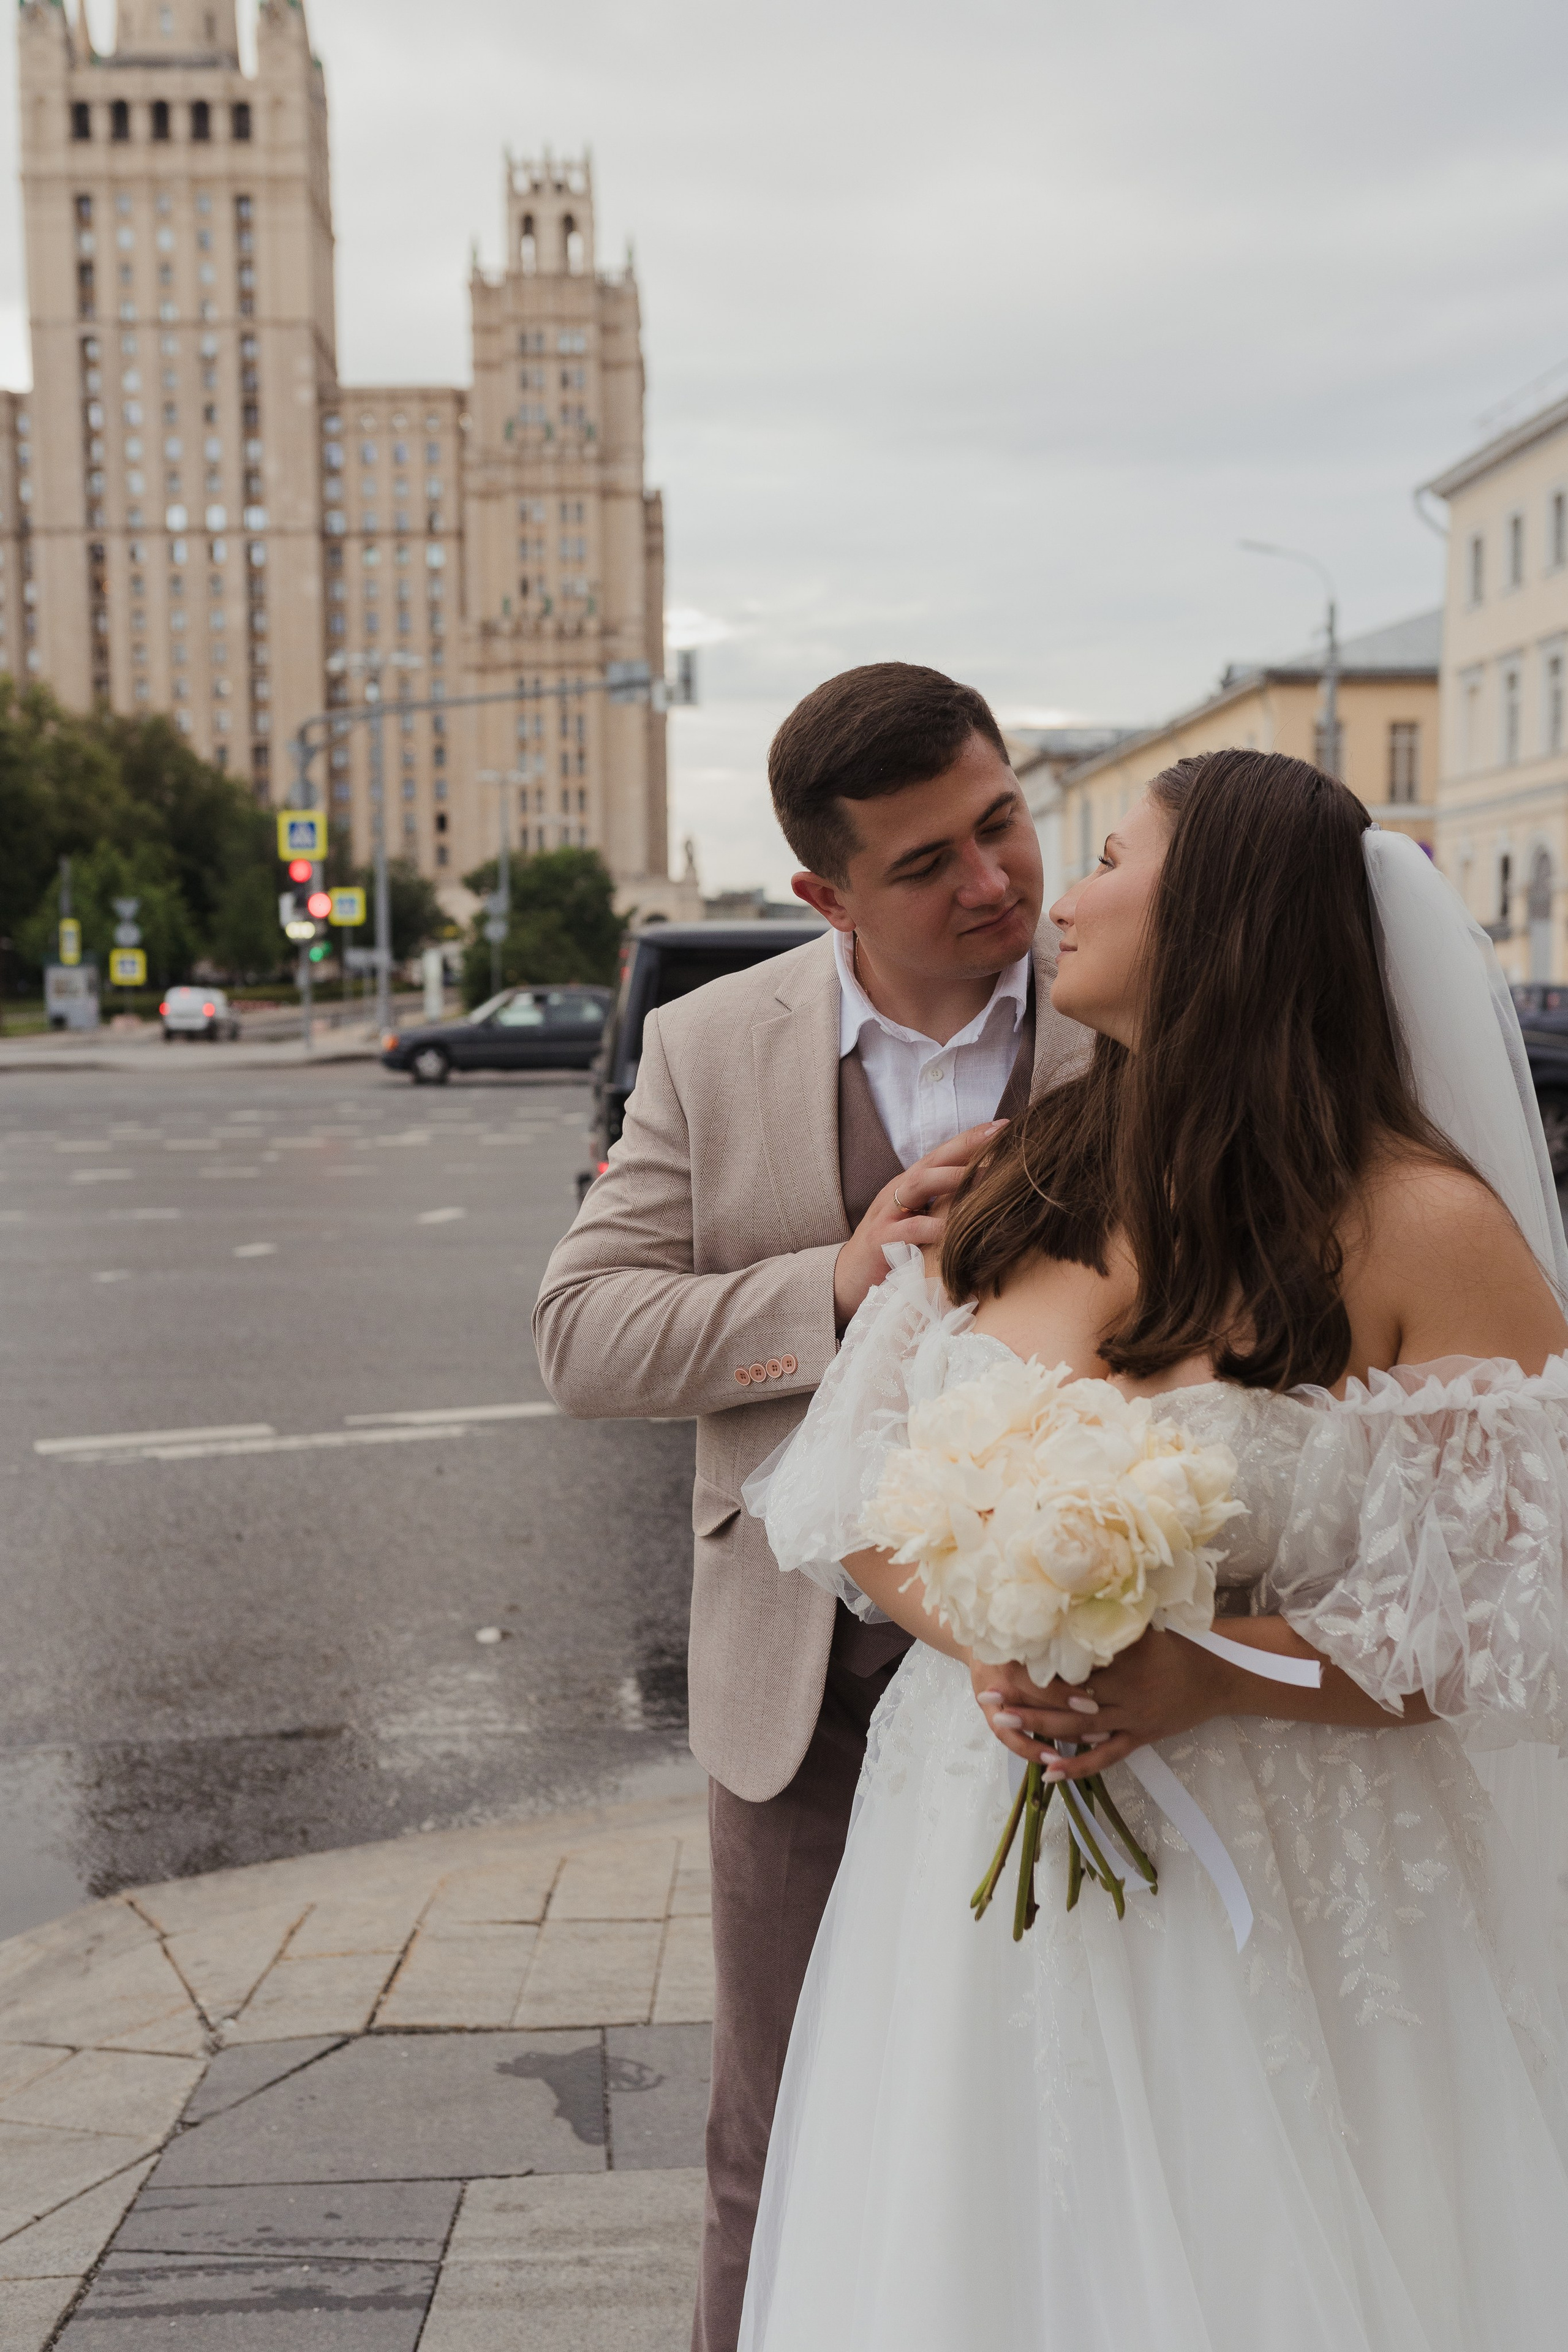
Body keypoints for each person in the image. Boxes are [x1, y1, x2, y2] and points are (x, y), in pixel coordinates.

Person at [740, 748, 1568, 2351]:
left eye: (1116, 855)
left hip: (1290, 1879)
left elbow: (1509, 1622)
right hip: (973, 1873)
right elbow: (853, 1498)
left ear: (1229, 922)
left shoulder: (1424, 1227)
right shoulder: (1021, 1179)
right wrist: (988, 1629)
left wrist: (1211, 1670)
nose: (1070, 885)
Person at [532, 662, 1090, 2350]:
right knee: (764, 2135)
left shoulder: (1135, 1013)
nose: (993, 879)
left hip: (1077, 1652)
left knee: (1058, 2110)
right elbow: (580, 1334)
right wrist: (833, 1285)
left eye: (1003, 822)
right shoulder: (711, 1046)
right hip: (802, 1682)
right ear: (822, 894)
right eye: (928, 863)